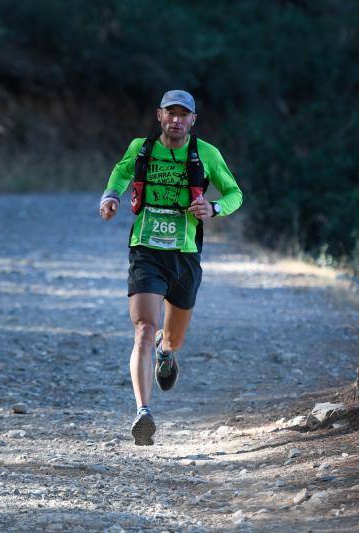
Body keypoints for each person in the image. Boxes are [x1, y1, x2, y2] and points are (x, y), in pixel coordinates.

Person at [99, 90, 243, 445]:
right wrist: (110, 195)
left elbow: (234, 193)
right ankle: (142, 412)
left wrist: (215, 209)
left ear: (193, 120)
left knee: (171, 336)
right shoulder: (142, 148)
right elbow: (120, 174)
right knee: (144, 329)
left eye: (184, 115)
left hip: (185, 254)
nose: (177, 120)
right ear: (159, 116)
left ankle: (167, 354)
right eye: (171, 113)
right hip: (146, 250)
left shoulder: (205, 154)